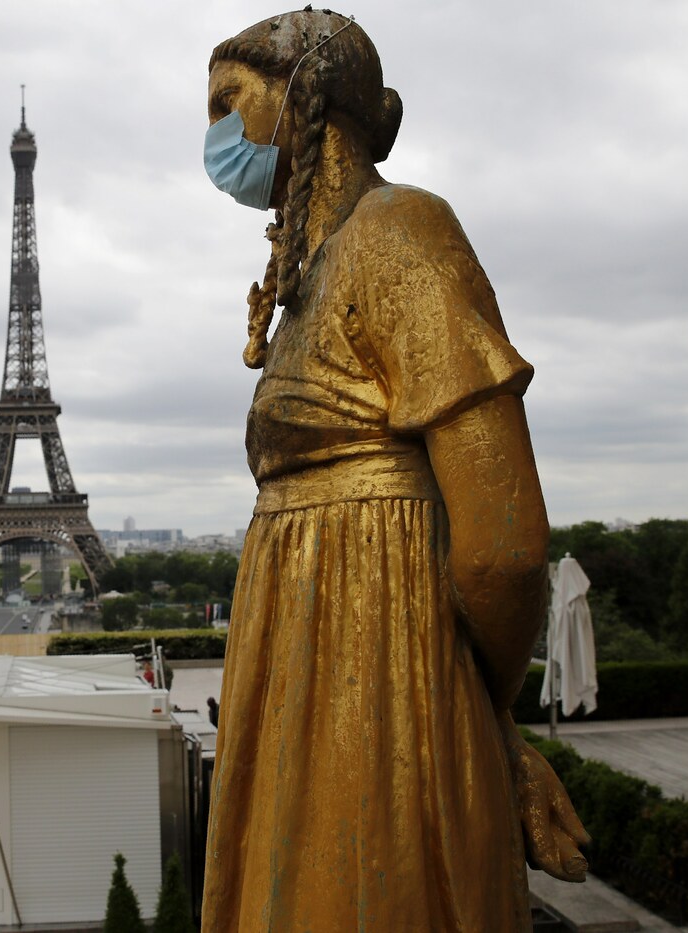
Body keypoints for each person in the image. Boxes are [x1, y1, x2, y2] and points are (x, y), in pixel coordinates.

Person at [201, 10, 588, 930]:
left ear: (304, 97)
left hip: (376, 660)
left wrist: (482, 715)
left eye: (227, 102)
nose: (213, 134)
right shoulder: (315, 269)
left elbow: (503, 547)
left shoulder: (400, 230)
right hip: (323, 652)